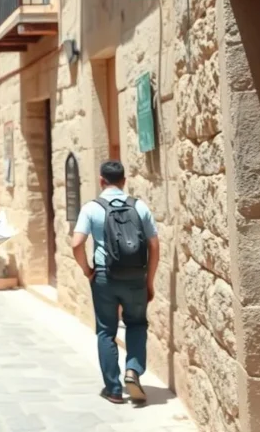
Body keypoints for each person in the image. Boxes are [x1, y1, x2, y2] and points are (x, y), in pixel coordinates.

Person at [70, 160, 160, 405]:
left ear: (101, 181)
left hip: (104, 278)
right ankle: (133, 370)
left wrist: (88, 270)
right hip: (136, 279)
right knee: (137, 324)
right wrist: (149, 281)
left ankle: (113, 389)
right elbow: (154, 245)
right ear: (124, 180)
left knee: (106, 332)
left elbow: (76, 243)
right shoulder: (139, 207)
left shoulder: (91, 208)